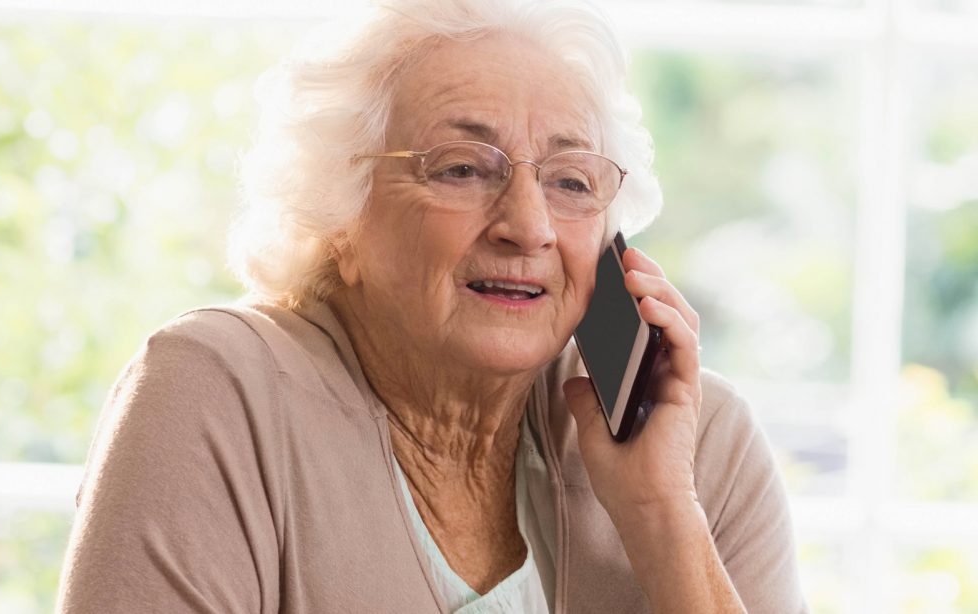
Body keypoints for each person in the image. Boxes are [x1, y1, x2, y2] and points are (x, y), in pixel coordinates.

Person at [56, 0, 807, 612]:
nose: (529, 225)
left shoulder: (700, 445)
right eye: (460, 169)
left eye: (571, 182)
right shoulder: (215, 393)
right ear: (337, 217)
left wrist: (662, 517)